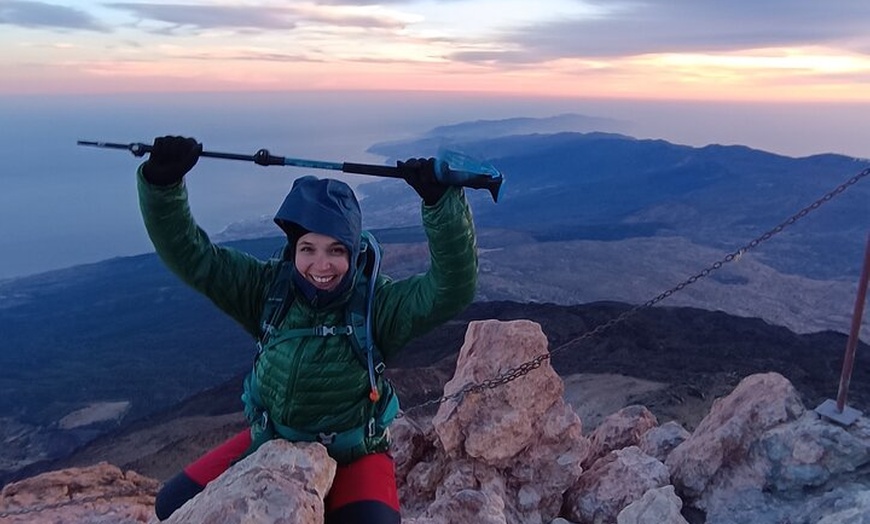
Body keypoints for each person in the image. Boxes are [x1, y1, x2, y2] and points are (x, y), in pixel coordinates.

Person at [137, 136, 478, 522]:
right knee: (171, 506)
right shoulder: (267, 290)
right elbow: (194, 257)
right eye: (308, 249)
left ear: (353, 250)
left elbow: (452, 287)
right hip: (272, 442)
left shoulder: (376, 306)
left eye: (336, 250)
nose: (321, 265)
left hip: (353, 452)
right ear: (292, 249)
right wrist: (162, 187)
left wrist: (440, 205)